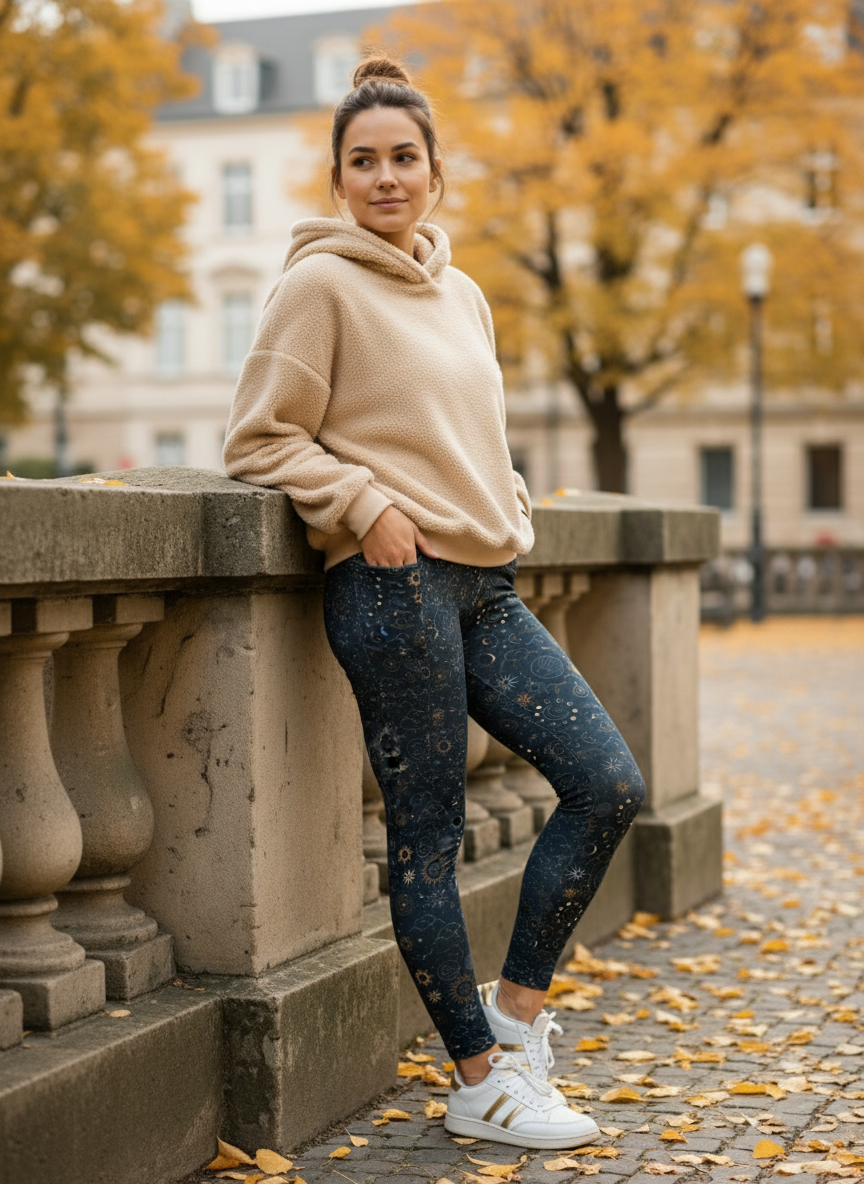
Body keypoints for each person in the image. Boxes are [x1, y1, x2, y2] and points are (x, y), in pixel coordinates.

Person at [223, 55, 645, 1150]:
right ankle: (474, 1079)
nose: (384, 177)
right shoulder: (317, 286)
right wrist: (362, 501)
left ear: (434, 171)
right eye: (361, 161)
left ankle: (512, 1023)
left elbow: (470, 432)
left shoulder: (462, 294)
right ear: (339, 179)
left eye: (402, 157)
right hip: (391, 585)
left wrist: (503, 497)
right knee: (429, 838)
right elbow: (258, 436)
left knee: (605, 782)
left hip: (486, 585)